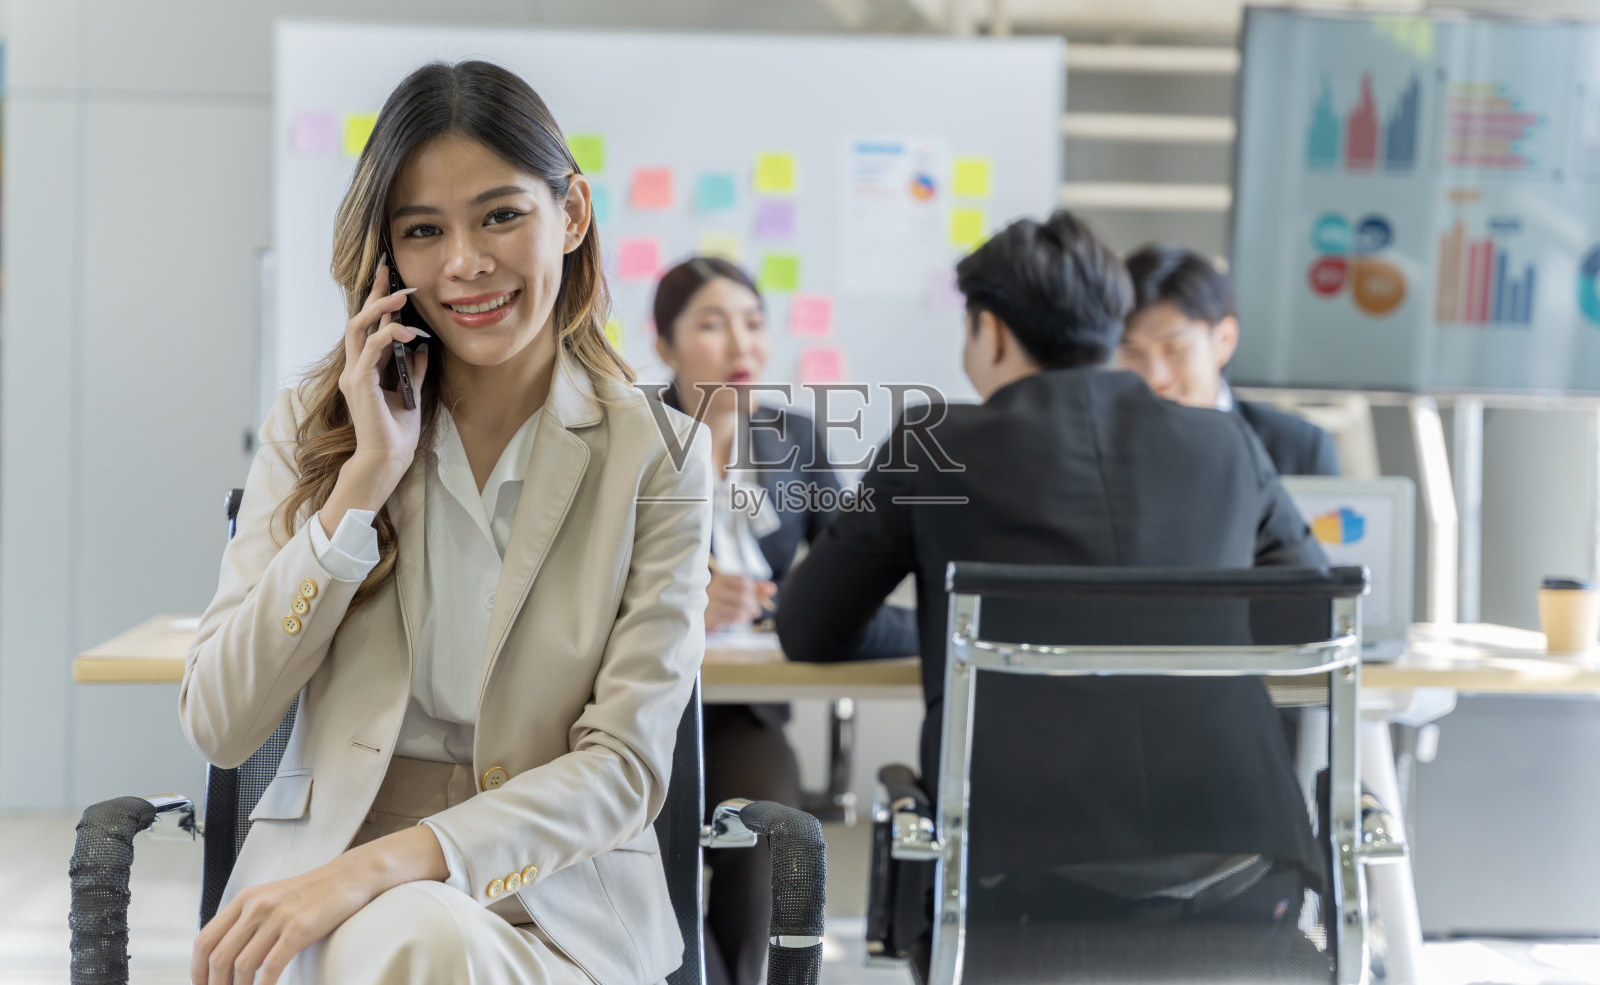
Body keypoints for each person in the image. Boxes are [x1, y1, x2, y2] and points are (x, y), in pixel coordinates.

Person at [179, 61, 712, 985]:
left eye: (501, 215)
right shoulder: (317, 424)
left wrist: (378, 871)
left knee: (418, 936)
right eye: (423, 231)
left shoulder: (657, 453)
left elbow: (624, 766)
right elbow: (223, 724)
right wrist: (363, 481)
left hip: (558, 911)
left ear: (573, 215)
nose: (465, 262)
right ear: (387, 259)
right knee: (410, 942)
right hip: (313, 906)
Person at [776, 211, 1328, 942]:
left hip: (1011, 883)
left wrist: (959, 631)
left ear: (992, 331)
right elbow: (1314, 618)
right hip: (1238, 866)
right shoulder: (1224, 441)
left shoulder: (932, 445)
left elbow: (808, 627)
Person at [650, 256, 915, 985]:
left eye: (754, 323)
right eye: (712, 324)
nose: (742, 345)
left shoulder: (795, 437)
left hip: (744, 711)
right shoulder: (631, 434)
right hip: (639, 709)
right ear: (665, 344)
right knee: (659, 879)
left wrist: (798, 601)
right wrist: (685, 609)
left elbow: (844, 571)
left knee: (770, 833)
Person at [1119, 244, 1340, 477]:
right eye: (1133, 352)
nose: (1155, 376)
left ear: (1225, 339)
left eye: (1174, 349)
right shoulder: (1098, 449)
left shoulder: (1297, 449)